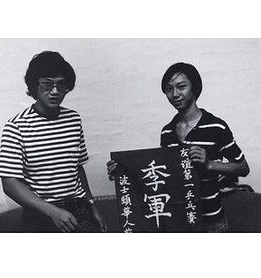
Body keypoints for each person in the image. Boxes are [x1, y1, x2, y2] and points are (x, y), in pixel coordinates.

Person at [107, 62, 250, 232]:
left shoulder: (216, 127)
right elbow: (165, 177)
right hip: (180, 221)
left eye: (181, 87)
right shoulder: (167, 131)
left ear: (195, 88)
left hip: (211, 221)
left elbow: (243, 168)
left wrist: (210, 164)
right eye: (168, 89)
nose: (175, 94)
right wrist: (123, 172)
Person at [0, 51, 107, 233]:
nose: (55, 91)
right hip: (40, 219)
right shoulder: (16, 126)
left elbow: (77, 167)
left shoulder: (73, 119)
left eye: (61, 85)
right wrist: (52, 212)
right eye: (47, 85)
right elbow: (10, 183)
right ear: (34, 85)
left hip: (78, 213)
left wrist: (92, 205)